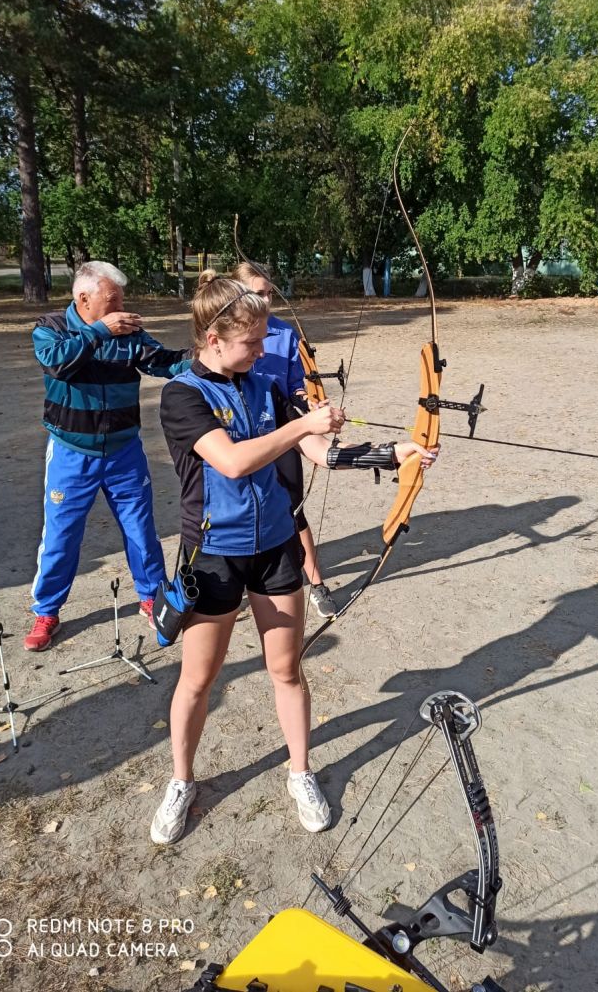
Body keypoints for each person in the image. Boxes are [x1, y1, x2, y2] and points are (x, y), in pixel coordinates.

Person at [151, 275, 438, 844]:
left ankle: (300, 772)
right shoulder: (182, 395)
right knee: (198, 679)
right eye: (251, 342)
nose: (262, 351)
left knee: (286, 669)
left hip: (276, 547)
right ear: (213, 339)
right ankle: (181, 781)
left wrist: (392, 452)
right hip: (213, 555)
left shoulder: (264, 388)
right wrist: (303, 422)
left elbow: (321, 452)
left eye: (263, 340)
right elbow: (232, 461)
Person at [25, 261, 191, 651]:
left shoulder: (127, 331)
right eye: (113, 299)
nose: (121, 308)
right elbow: (57, 363)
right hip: (71, 454)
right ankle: (47, 611)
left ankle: (152, 598)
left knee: (141, 531)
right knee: (61, 537)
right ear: (84, 298)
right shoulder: (51, 328)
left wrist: (207, 355)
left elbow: (164, 362)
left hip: (123, 452)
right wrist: (100, 331)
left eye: (121, 299)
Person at [228, 262, 336, 618]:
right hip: (239, 436)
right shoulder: (226, 332)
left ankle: (316, 584)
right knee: (239, 509)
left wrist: (310, 405)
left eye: (268, 293)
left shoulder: (285, 333)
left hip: (281, 430)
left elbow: (295, 386)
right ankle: (234, 587)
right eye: (256, 293)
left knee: (293, 509)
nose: (265, 300)